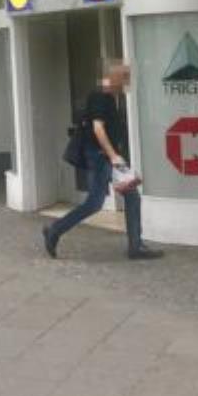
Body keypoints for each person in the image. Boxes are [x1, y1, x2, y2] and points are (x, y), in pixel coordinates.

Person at [42, 60, 163, 260]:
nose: (126, 82)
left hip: (110, 156)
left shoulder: (113, 98)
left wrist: (117, 155)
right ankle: (54, 230)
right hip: (100, 156)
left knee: (132, 196)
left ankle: (136, 246)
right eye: (124, 77)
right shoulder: (100, 96)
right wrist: (113, 156)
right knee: (94, 203)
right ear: (112, 77)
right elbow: (98, 129)